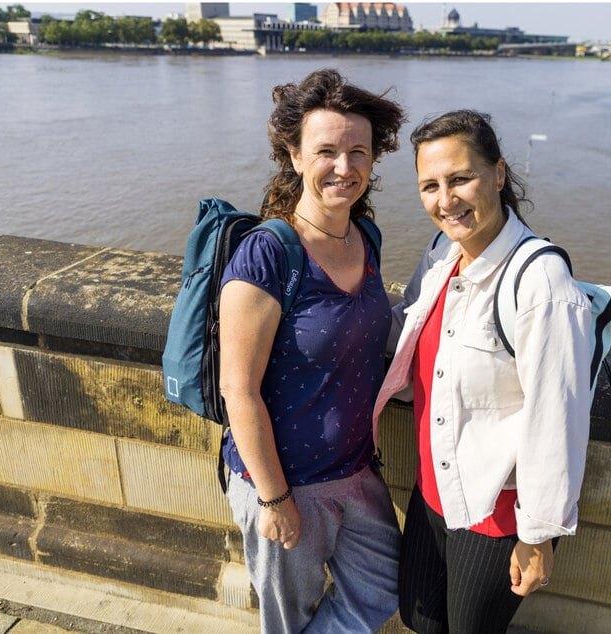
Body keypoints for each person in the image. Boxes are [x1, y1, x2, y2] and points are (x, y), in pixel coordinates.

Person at [373, 110, 594, 633]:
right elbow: (405, 339)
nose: (444, 200)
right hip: (435, 487)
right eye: (430, 185)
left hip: (496, 512)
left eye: (460, 179)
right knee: (420, 618)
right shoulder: (441, 257)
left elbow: (557, 418)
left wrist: (538, 536)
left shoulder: (541, 284)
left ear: (497, 174)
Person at [217, 68, 405, 633]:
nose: (344, 168)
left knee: (385, 588)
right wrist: (274, 500)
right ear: (295, 156)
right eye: (326, 151)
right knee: (287, 618)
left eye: (358, 152)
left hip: (355, 473)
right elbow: (238, 389)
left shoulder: (366, 238)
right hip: (285, 482)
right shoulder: (267, 255)